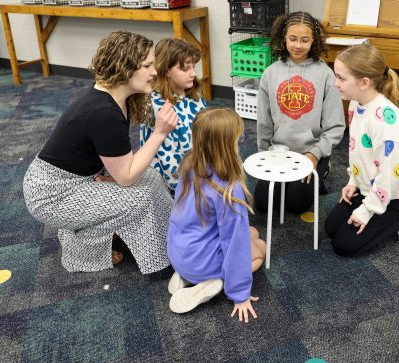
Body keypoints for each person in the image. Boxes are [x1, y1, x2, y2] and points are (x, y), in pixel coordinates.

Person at [23, 31, 178, 274]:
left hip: (77, 177)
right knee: (138, 198)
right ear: (124, 67)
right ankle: (80, 248)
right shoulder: (102, 111)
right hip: (52, 194)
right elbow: (126, 177)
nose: (154, 72)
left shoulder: (116, 99)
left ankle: (177, 234)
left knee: (151, 178)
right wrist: (159, 133)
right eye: (147, 65)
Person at [325, 44, 399, 257]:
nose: (336, 83)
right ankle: (372, 203)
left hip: (392, 192)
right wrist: (353, 182)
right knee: (330, 228)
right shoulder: (356, 103)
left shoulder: (385, 125)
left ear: (364, 82)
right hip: (370, 185)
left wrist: (366, 210)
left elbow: (389, 176)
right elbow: (359, 152)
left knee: (344, 245)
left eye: (341, 78)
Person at [166, 108, 266, 322]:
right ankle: (209, 282)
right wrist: (240, 295)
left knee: (254, 232)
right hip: (202, 262)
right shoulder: (229, 189)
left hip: (179, 251)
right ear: (228, 145)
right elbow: (234, 244)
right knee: (260, 249)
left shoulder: (189, 163)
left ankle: (184, 275)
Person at [256, 11, 345, 214]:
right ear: (283, 38)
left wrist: (315, 154)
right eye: (292, 39)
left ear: (314, 41)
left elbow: (336, 126)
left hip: (310, 153)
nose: (298, 45)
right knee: (264, 204)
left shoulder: (325, 75)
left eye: (305, 40)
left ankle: (323, 168)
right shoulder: (270, 73)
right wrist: (264, 156)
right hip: (278, 153)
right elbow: (264, 121)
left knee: (296, 205)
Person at [139, 38, 206, 193]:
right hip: (175, 184)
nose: (193, 74)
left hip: (198, 167)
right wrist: (195, 188)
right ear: (166, 70)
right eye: (185, 69)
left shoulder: (193, 93)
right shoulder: (159, 107)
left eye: (193, 67)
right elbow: (168, 162)